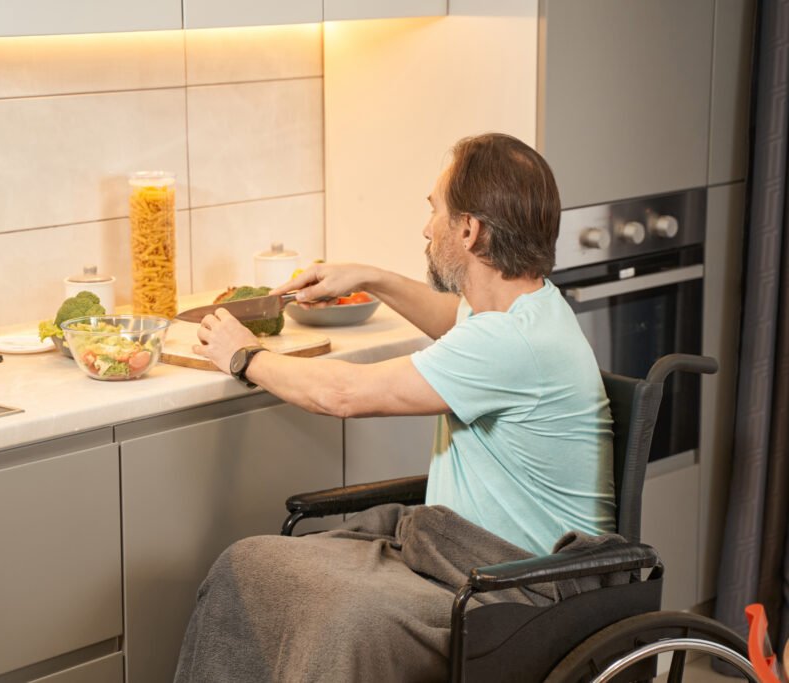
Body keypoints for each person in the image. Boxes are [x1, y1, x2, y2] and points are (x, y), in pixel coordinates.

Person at [174, 133, 617, 682]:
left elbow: (343, 394)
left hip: (517, 593)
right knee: (247, 565)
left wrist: (244, 356)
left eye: (435, 210)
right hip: (467, 563)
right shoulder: (522, 309)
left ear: (468, 230)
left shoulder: (511, 343)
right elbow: (449, 317)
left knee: (344, 618)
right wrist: (370, 277)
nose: (427, 228)